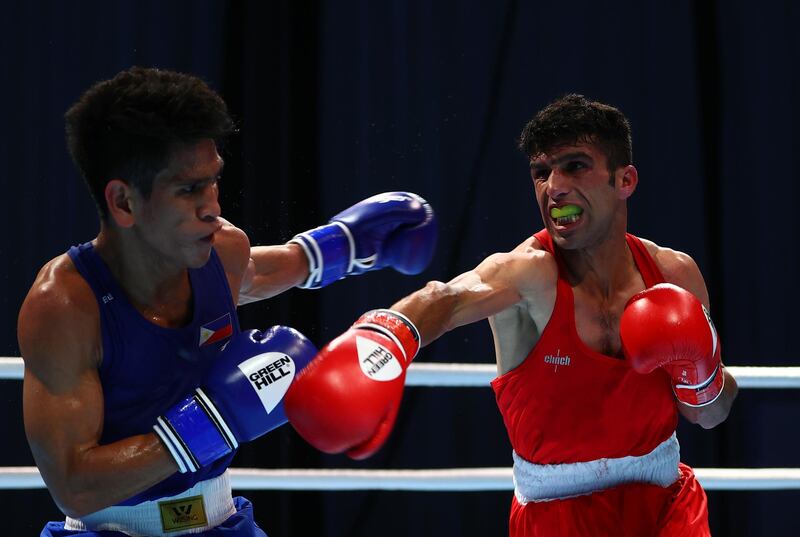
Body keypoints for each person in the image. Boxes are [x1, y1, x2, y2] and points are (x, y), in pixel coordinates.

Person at [284, 94, 739, 536]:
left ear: (625, 181)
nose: (554, 187)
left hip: (668, 502)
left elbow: (712, 415)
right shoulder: (528, 274)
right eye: (541, 173)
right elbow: (446, 298)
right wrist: (380, 342)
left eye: (575, 165)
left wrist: (703, 375)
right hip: (557, 517)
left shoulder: (672, 273)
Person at [17, 66, 437, 537]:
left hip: (222, 523)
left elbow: (263, 272)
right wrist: (215, 421)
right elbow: (73, 486)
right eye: (189, 189)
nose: (212, 205)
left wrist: (349, 244)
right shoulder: (66, 306)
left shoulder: (223, 250)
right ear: (124, 203)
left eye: (213, 180)